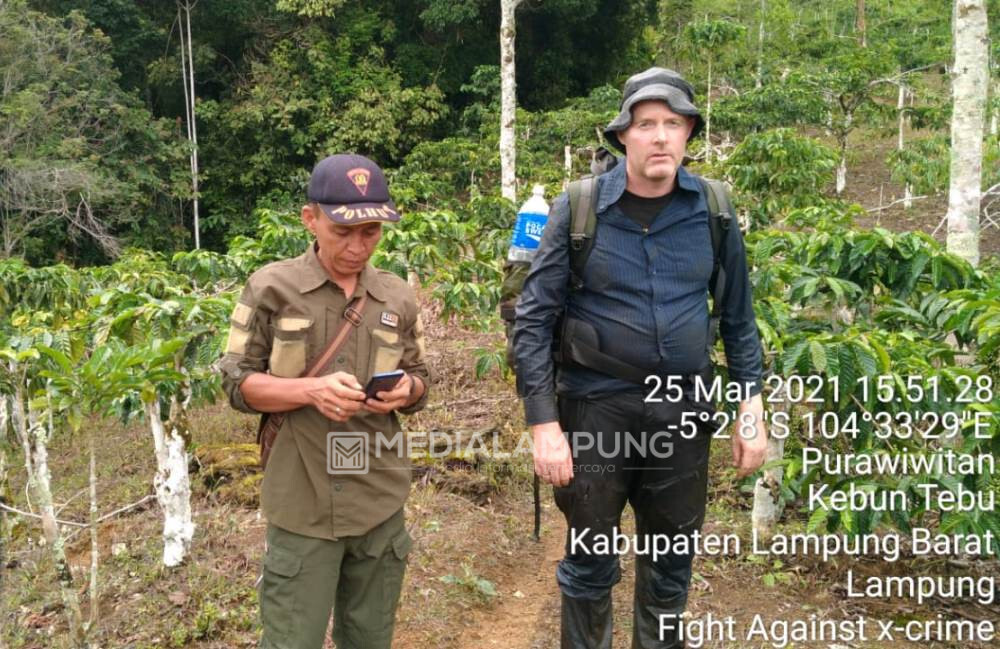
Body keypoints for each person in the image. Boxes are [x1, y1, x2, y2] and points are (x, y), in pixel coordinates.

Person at [513, 67, 767, 648]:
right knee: (591, 558)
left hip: (682, 407)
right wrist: (544, 425)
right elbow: (535, 318)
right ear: (622, 135)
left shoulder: (713, 209)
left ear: (688, 133)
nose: (659, 137)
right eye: (646, 124)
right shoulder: (579, 207)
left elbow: (737, 317)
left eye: (672, 124)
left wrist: (750, 410)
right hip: (595, 407)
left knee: (672, 559)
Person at [219, 153, 431, 649]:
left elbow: (421, 376)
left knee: (370, 638)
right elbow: (235, 382)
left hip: (379, 498)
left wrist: (407, 390)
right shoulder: (272, 286)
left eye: (372, 232)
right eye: (343, 232)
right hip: (303, 502)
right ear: (310, 219)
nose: (358, 247)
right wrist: (308, 390)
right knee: (293, 639)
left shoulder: (396, 296)